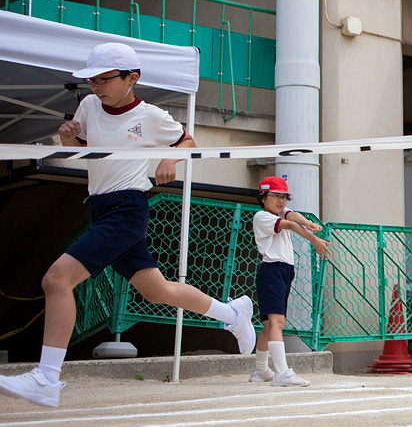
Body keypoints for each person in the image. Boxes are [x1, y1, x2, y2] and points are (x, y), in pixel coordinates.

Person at [0, 42, 256, 408]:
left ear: (132, 78)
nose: (96, 86)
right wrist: (69, 136)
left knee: (56, 280)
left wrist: (170, 158)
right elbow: (83, 147)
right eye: (92, 80)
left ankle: (46, 378)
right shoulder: (89, 106)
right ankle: (232, 313)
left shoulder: (151, 116)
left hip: (127, 209)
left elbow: (187, 140)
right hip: (100, 206)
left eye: (104, 79)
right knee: (157, 290)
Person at [248, 177, 332, 387]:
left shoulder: (280, 212)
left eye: (284, 197)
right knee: (277, 323)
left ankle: (260, 370)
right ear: (263, 197)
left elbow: (293, 215)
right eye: (275, 196)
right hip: (272, 270)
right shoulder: (262, 216)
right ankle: (282, 373)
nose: (281, 201)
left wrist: (308, 223)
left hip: (283, 271)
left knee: (269, 325)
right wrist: (314, 239)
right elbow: (291, 224)